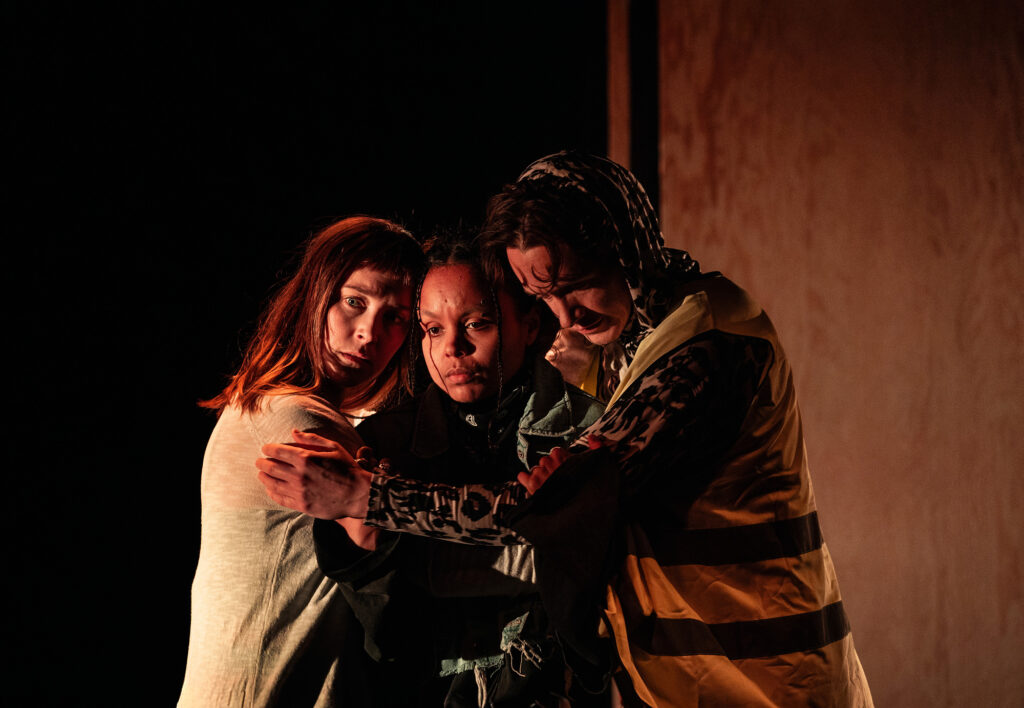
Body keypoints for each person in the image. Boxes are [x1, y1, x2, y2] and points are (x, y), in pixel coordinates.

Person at [258, 152, 874, 707]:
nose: (566, 317)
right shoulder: (638, 345)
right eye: (543, 297)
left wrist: (371, 498)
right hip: (696, 672)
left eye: (574, 286)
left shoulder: (704, 347)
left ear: (625, 250)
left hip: (765, 675)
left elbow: (543, 514)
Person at [258, 231, 607, 707]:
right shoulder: (384, 443)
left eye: (477, 324)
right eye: (432, 330)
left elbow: (600, 593)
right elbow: (387, 640)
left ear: (529, 324)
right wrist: (368, 535)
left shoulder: (587, 428)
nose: (452, 348)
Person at [179, 216, 425, 708]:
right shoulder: (297, 420)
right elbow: (425, 561)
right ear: (316, 293)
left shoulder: (261, 405)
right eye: (354, 302)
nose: (369, 333)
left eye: (396, 317)